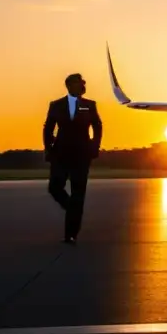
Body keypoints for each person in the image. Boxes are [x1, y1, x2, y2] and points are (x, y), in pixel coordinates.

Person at [43, 73, 103, 244]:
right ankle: (72, 209)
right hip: (60, 153)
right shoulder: (56, 105)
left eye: (83, 83)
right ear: (69, 85)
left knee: (78, 192)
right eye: (79, 83)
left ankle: (71, 234)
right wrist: (48, 149)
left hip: (82, 155)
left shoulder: (89, 105)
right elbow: (48, 129)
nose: (83, 85)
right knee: (54, 187)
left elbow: (97, 127)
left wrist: (94, 146)